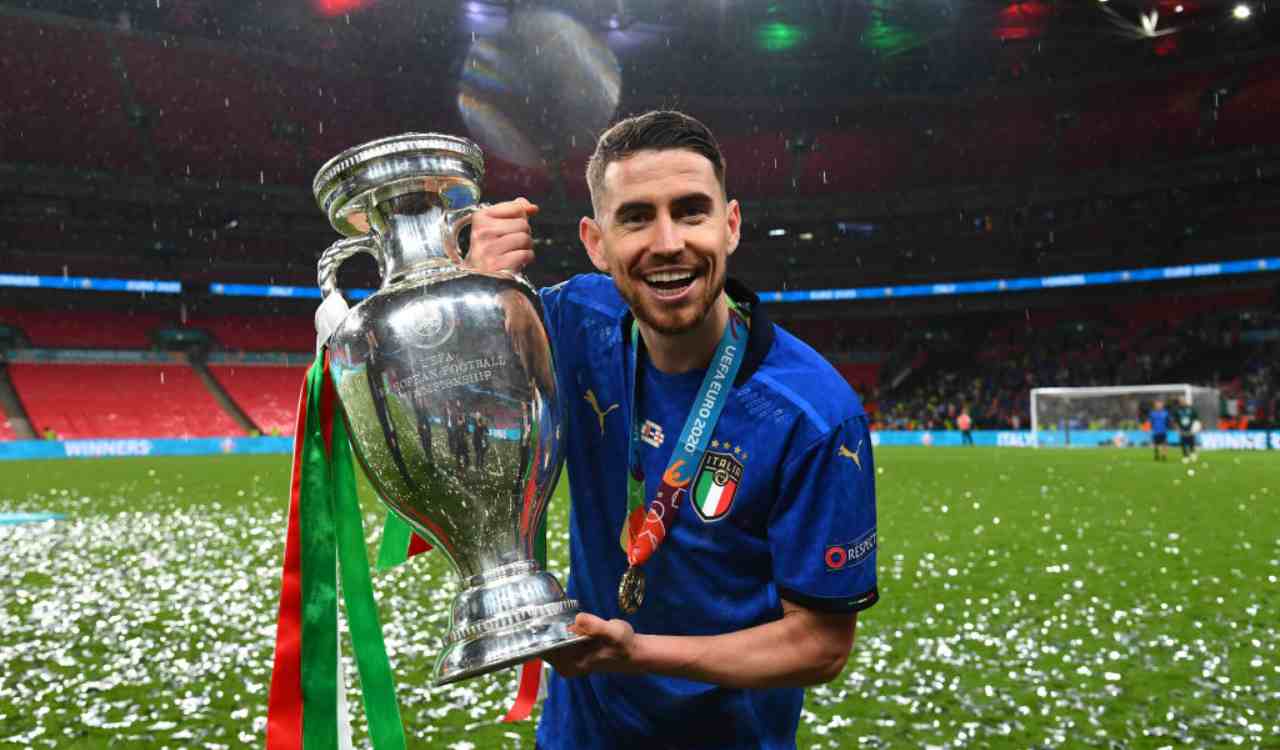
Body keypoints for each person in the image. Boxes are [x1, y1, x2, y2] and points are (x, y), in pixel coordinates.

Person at [468, 111, 877, 750]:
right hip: (578, 735)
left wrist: (638, 654)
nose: (667, 243)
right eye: (635, 217)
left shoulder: (816, 417)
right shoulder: (573, 321)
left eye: (691, 212)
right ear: (595, 242)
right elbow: (460, 410)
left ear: (730, 225)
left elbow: (821, 645)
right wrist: (474, 290)